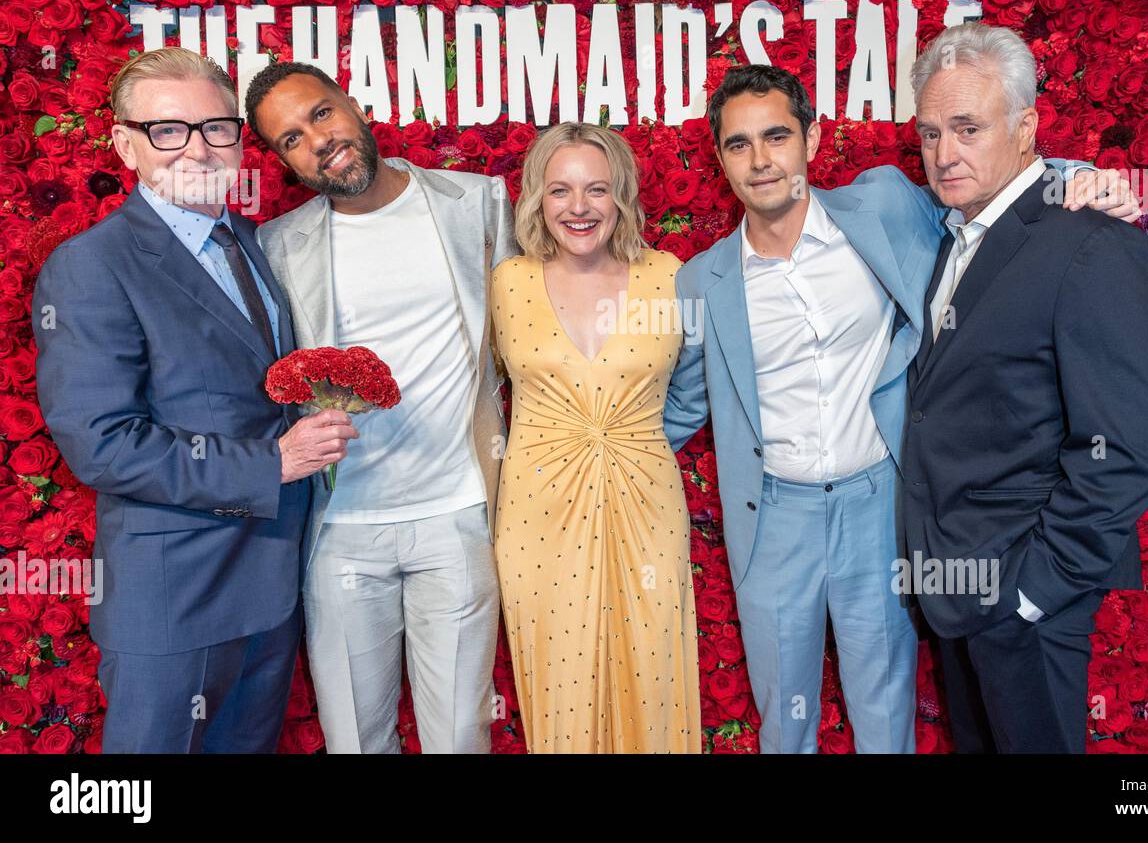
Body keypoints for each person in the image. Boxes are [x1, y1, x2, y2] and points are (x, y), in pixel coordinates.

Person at [663, 61, 1141, 753]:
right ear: (720, 157)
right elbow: (682, 404)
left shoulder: (881, 208)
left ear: (812, 139)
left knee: (886, 713)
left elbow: (991, 185)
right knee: (783, 722)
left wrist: (1077, 174)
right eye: (739, 144)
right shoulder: (699, 280)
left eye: (776, 136)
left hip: (877, 509)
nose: (761, 160)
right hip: (773, 522)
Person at [31, 47, 352, 753]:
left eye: (217, 128)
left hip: (269, 590)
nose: (199, 150)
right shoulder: (91, 266)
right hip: (175, 598)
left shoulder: (250, 241)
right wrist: (273, 462)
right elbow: (103, 442)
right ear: (124, 142)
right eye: (169, 131)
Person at [902, 22, 1148, 752]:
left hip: (1027, 596)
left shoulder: (1092, 240)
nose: (944, 153)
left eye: (966, 128)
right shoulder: (958, 234)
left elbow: (1127, 446)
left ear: (1026, 127)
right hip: (957, 590)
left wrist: (1034, 590)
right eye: (929, 133)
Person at [248, 62, 518, 753]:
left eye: (319, 114)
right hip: (343, 525)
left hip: (456, 514)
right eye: (289, 140)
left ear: (352, 103)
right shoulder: (281, 245)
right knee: (356, 743)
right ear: (283, 161)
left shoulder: (477, 202)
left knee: (460, 738)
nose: (317, 140)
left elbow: (531, 333)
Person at [491, 123, 701, 752]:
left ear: (622, 196)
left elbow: (698, 384)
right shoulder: (508, 283)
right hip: (537, 514)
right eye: (560, 191)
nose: (578, 208)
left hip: (647, 502)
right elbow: (480, 397)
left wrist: (637, 440)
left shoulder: (668, 275)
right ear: (536, 198)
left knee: (653, 670)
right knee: (558, 683)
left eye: (597, 190)